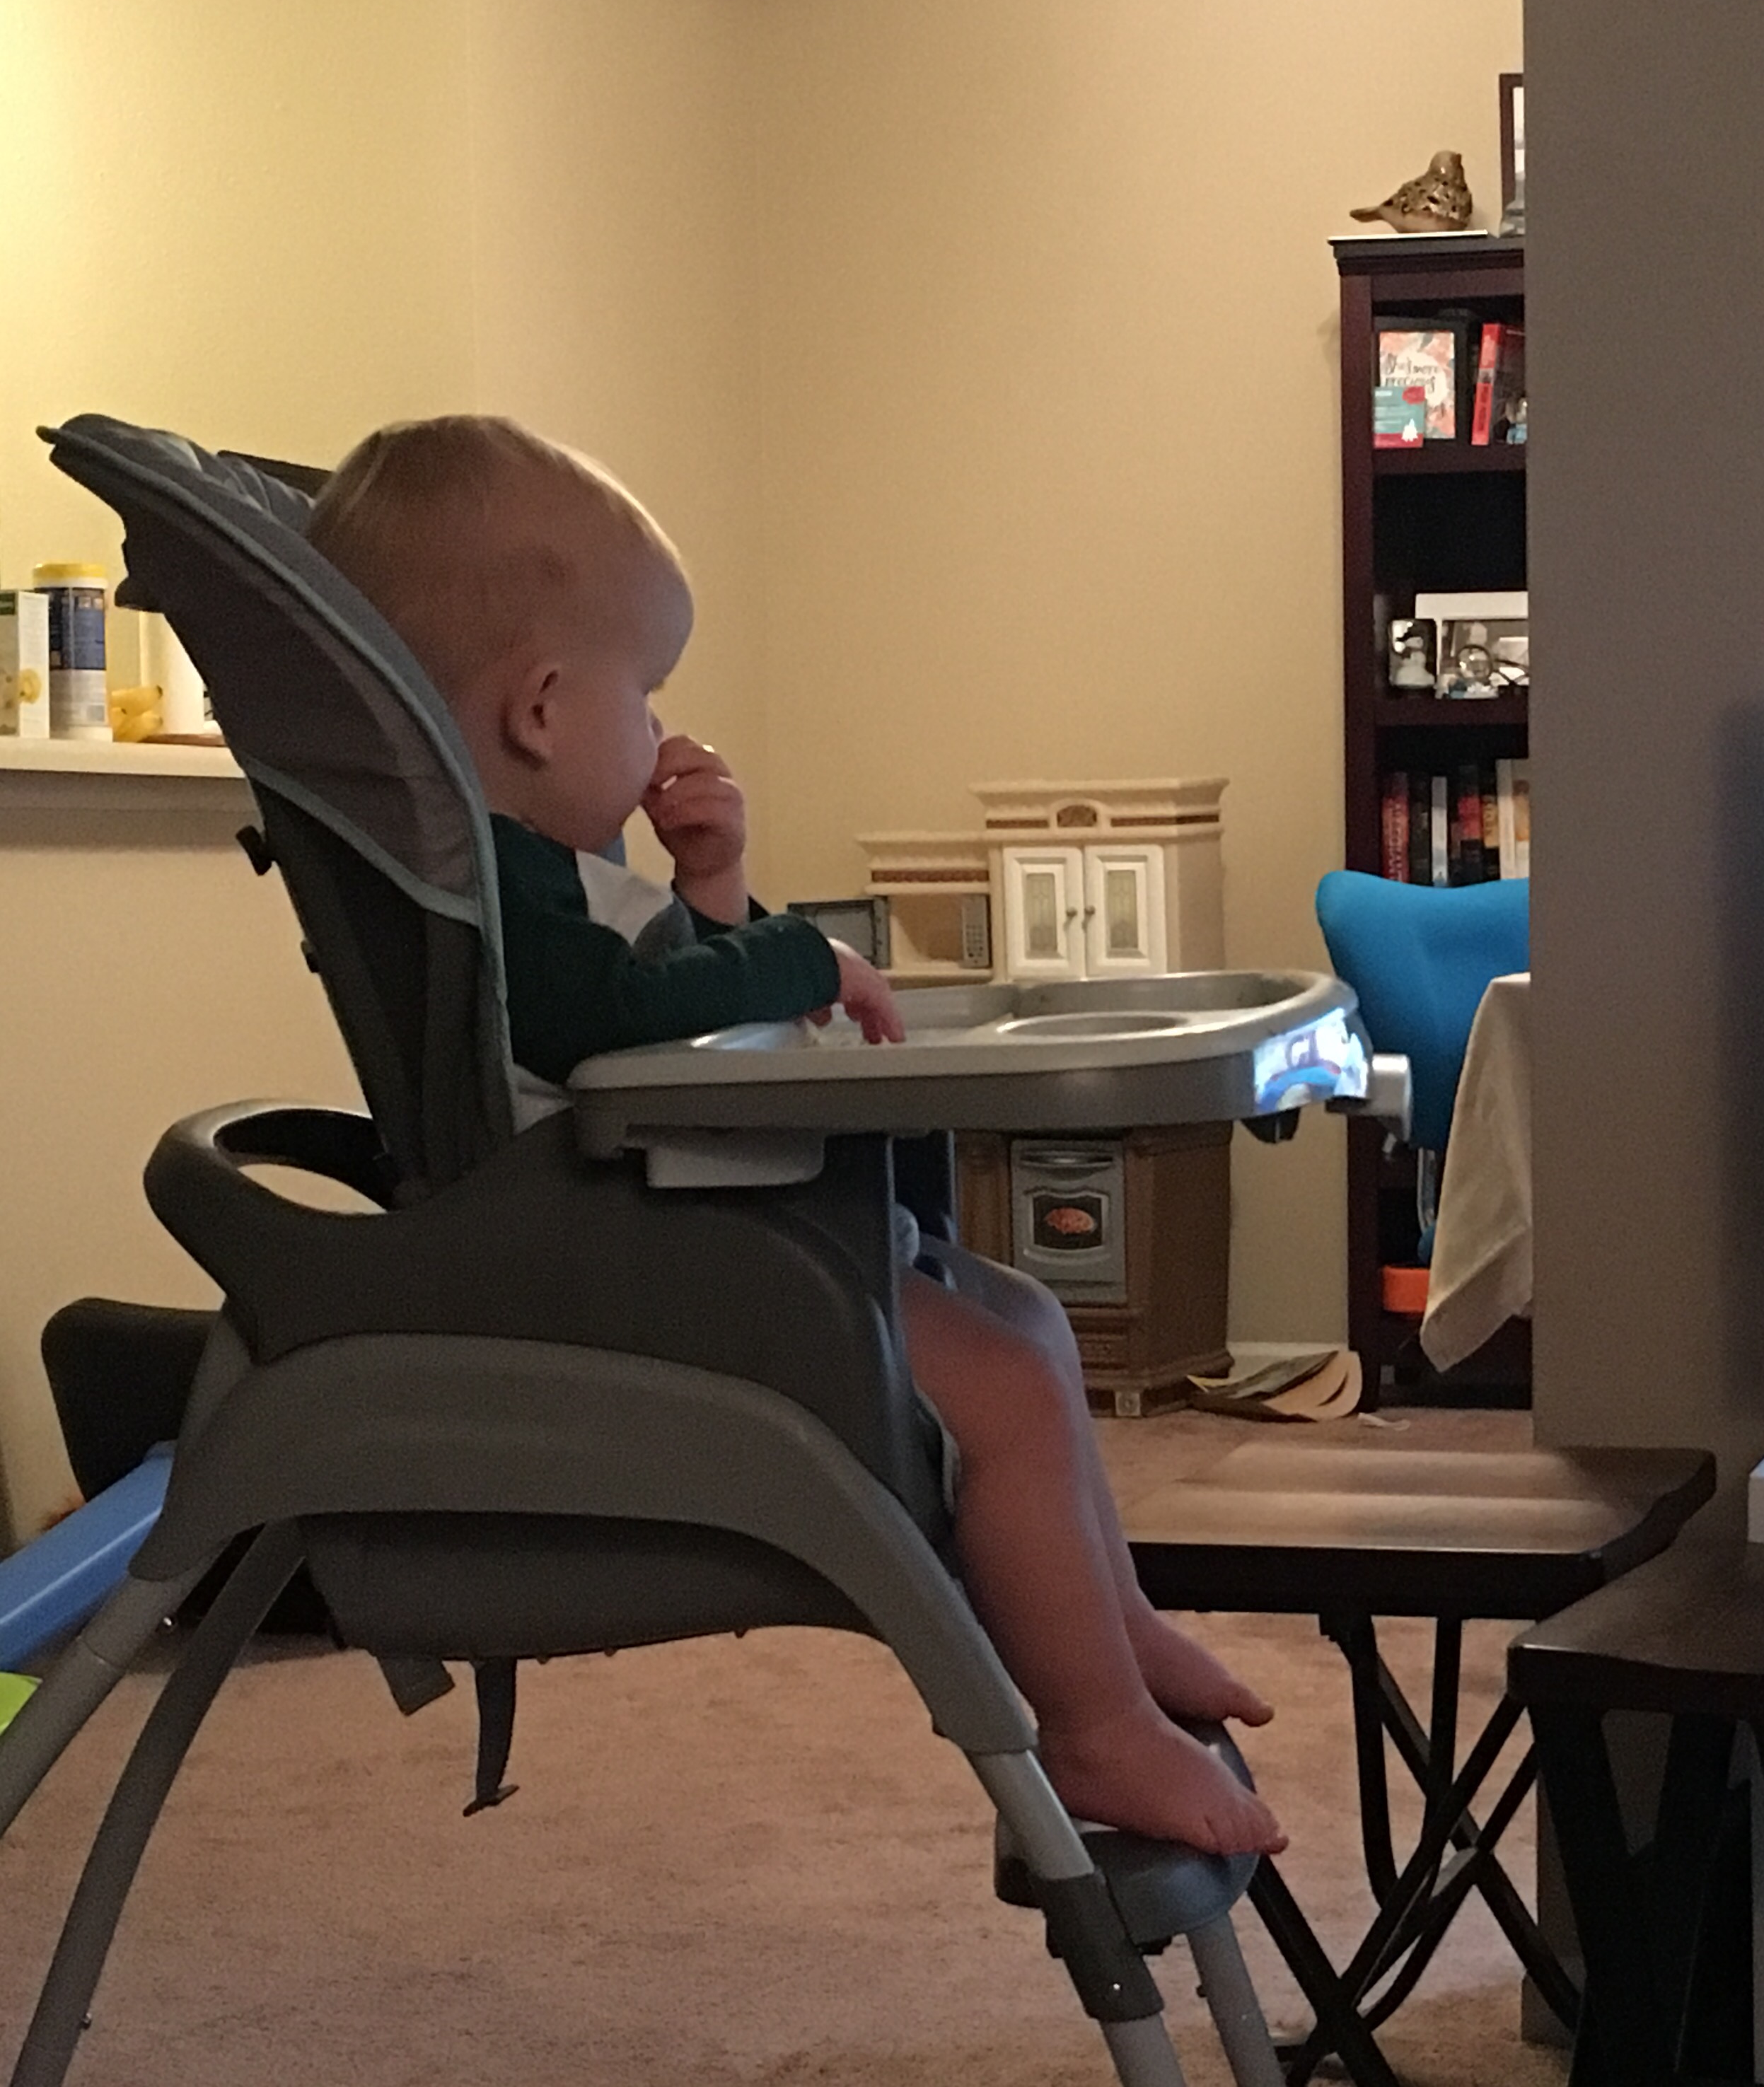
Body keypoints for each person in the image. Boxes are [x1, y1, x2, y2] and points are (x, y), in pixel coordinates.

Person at [306, 416, 1282, 1857]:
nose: (661, 733)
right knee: (1009, 1386)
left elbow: (647, 1017)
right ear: (543, 711)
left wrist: (716, 889)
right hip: (624, 1263)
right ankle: (1094, 1733)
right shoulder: (501, 885)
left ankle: (1116, 1627)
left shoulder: (530, 873)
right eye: (645, 694)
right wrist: (794, 955)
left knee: (1026, 1317)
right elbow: (607, 1025)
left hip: (661, 1228)